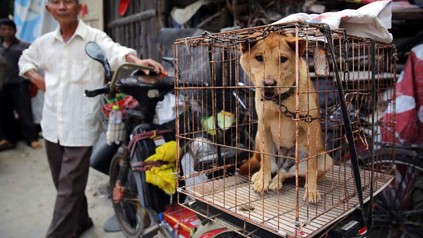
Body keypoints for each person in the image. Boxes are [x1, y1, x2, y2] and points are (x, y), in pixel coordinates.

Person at [18, 0, 166, 237]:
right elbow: (24, 60)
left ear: (79, 7)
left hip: (80, 126)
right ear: (49, 9)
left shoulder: (95, 37)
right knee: (63, 183)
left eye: (68, 1)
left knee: (67, 188)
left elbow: (117, 52)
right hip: (51, 125)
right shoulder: (44, 43)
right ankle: (83, 220)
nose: (63, 7)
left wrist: (138, 62)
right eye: (56, 2)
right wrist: (37, 79)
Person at [0, 18, 41, 150]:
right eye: (3, 29)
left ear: (15, 30)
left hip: (20, 85)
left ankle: (31, 138)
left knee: (25, 113)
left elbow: (34, 62)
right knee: (5, 114)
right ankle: (9, 139)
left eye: (9, 29)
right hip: (3, 86)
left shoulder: (25, 46)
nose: (7, 32)